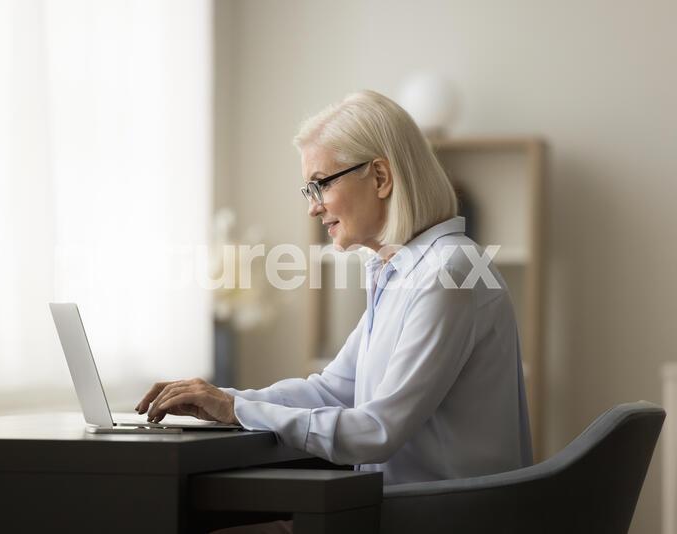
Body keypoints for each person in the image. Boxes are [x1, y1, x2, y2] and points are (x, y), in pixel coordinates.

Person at [136, 90, 532, 488]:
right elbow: (334, 390)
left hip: (438, 518)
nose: (313, 206)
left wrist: (235, 408)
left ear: (380, 177)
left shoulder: (450, 271)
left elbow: (376, 431)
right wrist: (219, 399)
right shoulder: (402, 269)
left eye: (320, 184)